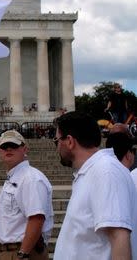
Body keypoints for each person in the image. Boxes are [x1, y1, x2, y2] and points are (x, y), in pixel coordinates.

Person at [53, 111, 137, 259]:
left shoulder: (105, 171)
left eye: (57, 141)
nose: (57, 147)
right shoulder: (92, 172)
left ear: (70, 141)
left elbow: (119, 238)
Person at [0, 130, 53, 260]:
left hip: (23, 252)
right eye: (4, 146)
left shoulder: (30, 178)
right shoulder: (15, 178)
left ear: (25, 149)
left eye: (14, 145)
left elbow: (36, 218)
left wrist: (23, 254)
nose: (8, 148)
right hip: (11, 251)